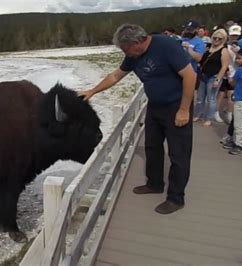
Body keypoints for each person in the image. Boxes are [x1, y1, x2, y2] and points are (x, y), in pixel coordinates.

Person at [79, 23, 196, 214]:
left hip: (176, 106)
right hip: (155, 106)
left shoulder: (166, 46)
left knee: (178, 153)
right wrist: (92, 91)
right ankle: (154, 183)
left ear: (138, 41)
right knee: (152, 146)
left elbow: (190, 77)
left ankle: (176, 198)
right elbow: (116, 75)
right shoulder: (133, 55)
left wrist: (184, 109)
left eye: (127, 49)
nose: (127, 54)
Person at [193, 29, 230, 127]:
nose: (217, 40)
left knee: (211, 99)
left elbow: (224, 66)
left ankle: (209, 118)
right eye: (215, 38)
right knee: (200, 98)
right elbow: (201, 60)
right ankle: (198, 114)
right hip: (203, 75)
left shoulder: (224, 50)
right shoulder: (208, 47)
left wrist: (218, 79)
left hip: (214, 76)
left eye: (219, 38)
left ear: (223, 39)